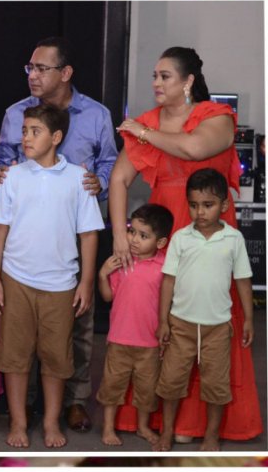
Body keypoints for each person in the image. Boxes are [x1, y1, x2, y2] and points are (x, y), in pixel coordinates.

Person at [111, 46, 262, 442]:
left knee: (211, 319)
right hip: (167, 229)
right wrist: (118, 236)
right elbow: (118, 180)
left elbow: (194, 148)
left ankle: (203, 424)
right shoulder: (147, 121)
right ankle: (161, 419)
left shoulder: (215, 116)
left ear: (188, 81)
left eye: (165, 76)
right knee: (164, 322)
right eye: (154, 76)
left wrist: (142, 133)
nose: (156, 83)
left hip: (208, 227)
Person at [0, 36, 118, 432]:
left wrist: (97, 182)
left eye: (41, 68)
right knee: (22, 332)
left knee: (74, 326)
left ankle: (76, 400)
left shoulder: (96, 114)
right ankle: (26, 408)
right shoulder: (15, 114)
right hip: (25, 239)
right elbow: (2, 160)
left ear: (65, 73)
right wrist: (2, 174)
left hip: (74, 231)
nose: (32, 75)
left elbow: (110, 163)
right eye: (29, 68)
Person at [0, 104, 104, 449]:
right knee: (15, 356)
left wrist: (85, 282)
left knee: (56, 358)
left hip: (61, 284)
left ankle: (52, 421)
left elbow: (89, 234)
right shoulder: (13, 176)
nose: (26, 137)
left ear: (56, 137)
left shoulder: (78, 179)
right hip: (16, 279)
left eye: (34, 131)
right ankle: (19, 421)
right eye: (24, 130)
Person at [154, 169, 254, 451]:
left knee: (215, 385)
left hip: (217, 328)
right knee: (171, 382)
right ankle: (167, 431)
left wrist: (248, 319)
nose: (200, 212)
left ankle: (211, 436)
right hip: (180, 325)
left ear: (224, 205)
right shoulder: (181, 238)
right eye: (194, 205)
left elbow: (243, 281)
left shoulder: (234, 239)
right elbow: (168, 281)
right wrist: (163, 321)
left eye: (208, 205)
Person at [95, 204, 173, 447]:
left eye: (143, 235)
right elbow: (108, 297)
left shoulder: (165, 267)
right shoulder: (122, 261)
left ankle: (142, 426)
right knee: (112, 386)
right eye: (132, 231)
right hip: (119, 339)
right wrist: (102, 275)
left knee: (146, 389)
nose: (134, 240)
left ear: (160, 243)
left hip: (149, 342)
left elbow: (168, 302)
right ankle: (108, 428)